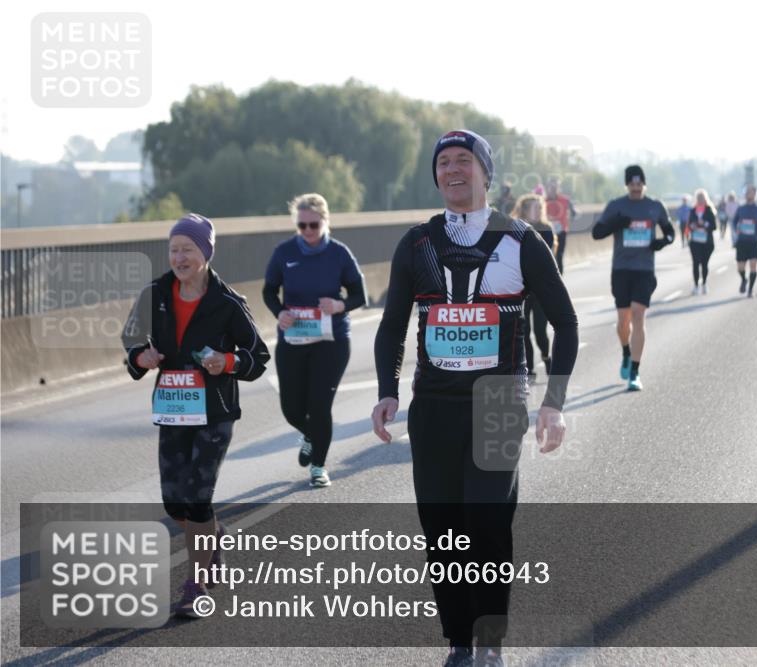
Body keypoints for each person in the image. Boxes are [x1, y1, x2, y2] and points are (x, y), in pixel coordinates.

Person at [371, 130, 578, 667]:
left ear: (486, 173)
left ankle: (490, 642)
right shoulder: (416, 243)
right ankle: (459, 641)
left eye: (465, 160)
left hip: (497, 401)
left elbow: (566, 322)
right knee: (442, 528)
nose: (453, 170)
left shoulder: (522, 240)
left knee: (485, 521)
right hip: (434, 406)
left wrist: (553, 401)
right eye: (443, 162)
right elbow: (393, 325)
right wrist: (386, 392)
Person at [121, 213, 270, 618]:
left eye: (188, 249)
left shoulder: (227, 303)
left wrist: (228, 361)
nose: (179, 257)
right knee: (175, 503)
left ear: (205, 253)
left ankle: (196, 585)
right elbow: (131, 336)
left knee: (198, 498)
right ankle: (212, 538)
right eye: (173, 249)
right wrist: (141, 356)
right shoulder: (155, 293)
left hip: (214, 412)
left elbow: (258, 357)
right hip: (172, 411)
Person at [262, 193, 368, 488]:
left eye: (313, 225)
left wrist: (339, 306)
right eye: (302, 225)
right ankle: (311, 434)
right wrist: (280, 312)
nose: (308, 231)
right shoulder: (284, 253)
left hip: (331, 341)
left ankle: (319, 467)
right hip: (293, 340)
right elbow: (269, 291)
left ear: (325, 221)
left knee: (320, 406)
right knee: (291, 408)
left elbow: (361, 294)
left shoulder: (339, 253)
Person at [591, 165, 675, 391]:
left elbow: (670, 232)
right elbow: (596, 233)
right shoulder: (616, 206)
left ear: (644, 184)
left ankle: (635, 373)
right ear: (626, 185)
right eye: (632, 184)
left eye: (639, 184)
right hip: (621, 270)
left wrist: (662, 241)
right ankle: (626, 352)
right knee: (623, 322)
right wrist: (617, 223)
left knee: (639, 316)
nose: (636, 188)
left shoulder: (655, 207)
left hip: (644, 270)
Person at [512, 193, 557, 380]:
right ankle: (528, 368)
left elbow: (543, 261)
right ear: (524, 210)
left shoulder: (546, 229)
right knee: (524, 332)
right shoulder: (514, 229)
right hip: (520, 289)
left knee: (540, 331)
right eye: (534, 207)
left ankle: (546, 358)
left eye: (540, 207)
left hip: (540, 289)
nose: (539, 211)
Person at [732, 185, 757, 298]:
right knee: (740, 267)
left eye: (751, 192)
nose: (749, 194)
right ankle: (744, 280)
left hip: (754, 242)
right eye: (747, 192)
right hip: (742, 241)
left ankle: (750, 290)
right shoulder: (740, 209)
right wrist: (737, 228)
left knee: (753, 266)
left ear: (755, 194)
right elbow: (734, 222)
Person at [687, 189, 717, 294]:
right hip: (695, 242)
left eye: (702, 198)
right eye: (698, 198)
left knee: (704, 264)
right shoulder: (692, 210)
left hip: (707, 242)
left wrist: (704, 224)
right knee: (695, 263)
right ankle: (696, 286)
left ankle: (704, 283)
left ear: (705, 199)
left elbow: (714, 226)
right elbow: (689, 225)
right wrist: (693, 226)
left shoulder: (709, 210)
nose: (700, 200)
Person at [544, 176, 576, 274]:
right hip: (547, 231)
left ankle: (560, 278)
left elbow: (574, 213)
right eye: (551, 187)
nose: (553, 190)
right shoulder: (543, 200)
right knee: (547, 255)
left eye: (555, 187)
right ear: (548, 188)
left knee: (559, 255)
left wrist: (567, 220)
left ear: (558, 188)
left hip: (561, 231)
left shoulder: (565, 200)